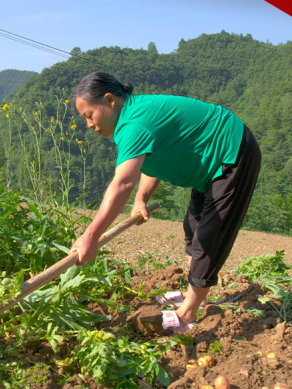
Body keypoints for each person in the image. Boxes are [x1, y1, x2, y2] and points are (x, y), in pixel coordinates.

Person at [69, 71, 261, 332]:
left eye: (89, 115)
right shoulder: (133, 117)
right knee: (193, 229)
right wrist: (141, 199)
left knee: (209, 237)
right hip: (208, 166)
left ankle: (189, 313)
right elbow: (151, 161)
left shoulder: (134, 124)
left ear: (110, 100)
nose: (89, 125)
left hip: (232, 151)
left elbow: (123, 182)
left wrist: (91, 235)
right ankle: (195, 296)